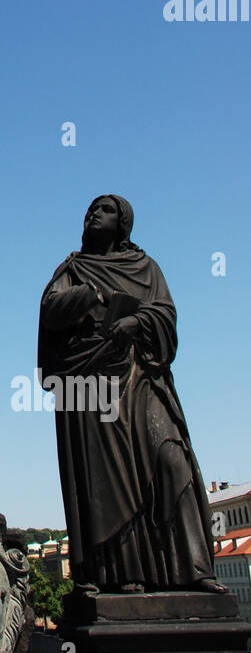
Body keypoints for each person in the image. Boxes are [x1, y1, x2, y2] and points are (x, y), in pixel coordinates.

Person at [38, 195, 223, 595]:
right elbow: (51, 310)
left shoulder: (146, 267)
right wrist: (91, 296)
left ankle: (193, 569)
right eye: (90, 209)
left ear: (122, 222)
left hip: (143, 379)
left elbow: (166, 315)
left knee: (171, 459)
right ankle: (122, 575)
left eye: (103, 209)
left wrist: (137, 320)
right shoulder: (74, 268)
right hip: (94, 386)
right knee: (108, 483)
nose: (92, 213)